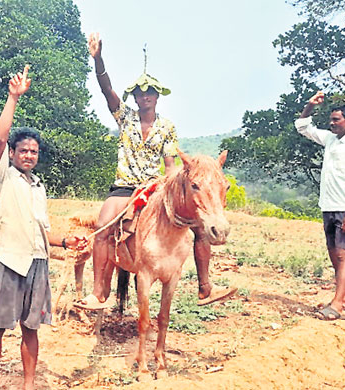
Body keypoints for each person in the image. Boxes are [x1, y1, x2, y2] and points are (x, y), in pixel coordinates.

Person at [76, 33, 235, 310]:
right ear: (135, 97)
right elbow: (106, 90)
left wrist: (167, 187)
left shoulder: (167, 127)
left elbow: (171, 165)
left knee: (198, 224)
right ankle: (100, 293)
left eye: (150, 92)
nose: (145, 96)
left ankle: (205, 287)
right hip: (124, 186)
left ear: (157, 97)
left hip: (154, 187)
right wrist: (98, 59)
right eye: (140, 93)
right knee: (103, 226)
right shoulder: (124, 116)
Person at [0, 66, 87, 390]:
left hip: (38, 264)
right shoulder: (2, 175)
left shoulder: (39, 186)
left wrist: (67, 241)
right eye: (23, 150)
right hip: (9, 260)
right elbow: (0, 136)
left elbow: (43, 232)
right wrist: (13, 97)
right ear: (12, 154)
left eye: (34, 151)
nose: (29, 155)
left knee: (32, 329)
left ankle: (29, 384)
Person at [296, 91, 345, 320]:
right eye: (331, 119)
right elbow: (303, 126)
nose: (332, 123)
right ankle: (344, 297)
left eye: (336, 119)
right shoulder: (330, 139)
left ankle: (337, 305)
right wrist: (309, 105)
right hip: (328, 205)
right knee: (334, 253)